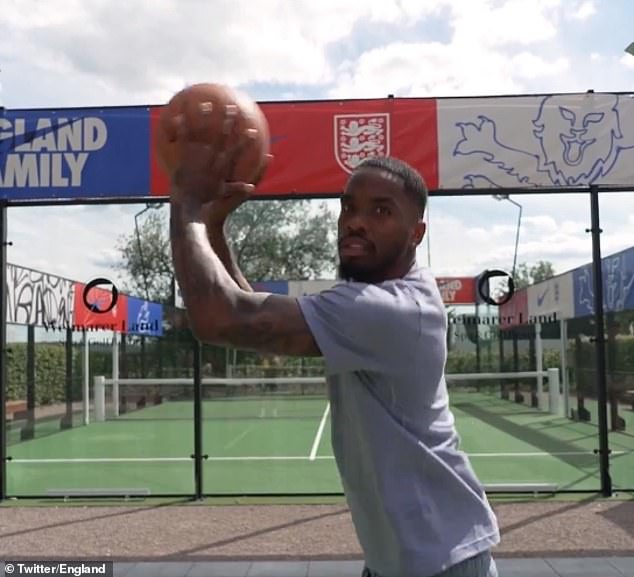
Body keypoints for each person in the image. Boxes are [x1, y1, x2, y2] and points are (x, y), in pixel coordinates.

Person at [168, 102, 500, 577]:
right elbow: (243, 304)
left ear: (416, 232)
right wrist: (214, 227)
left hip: (440, 561)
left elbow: (219, 317)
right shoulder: (375, 298)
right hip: (404, 559)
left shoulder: (390, 311)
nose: (355, 221)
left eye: (381, 211)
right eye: (349, 207)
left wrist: (185, 204)